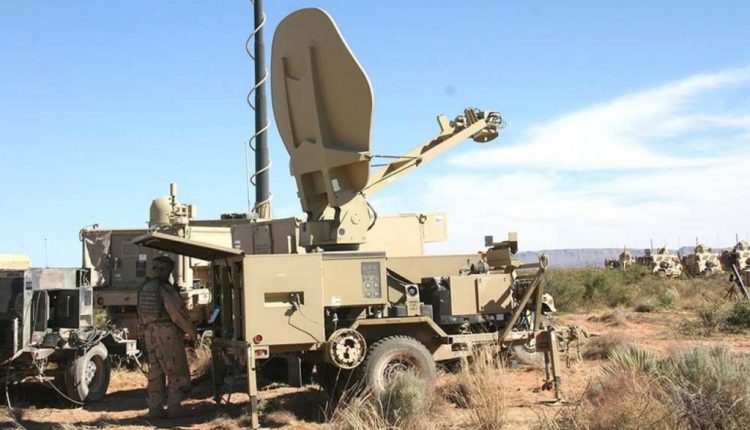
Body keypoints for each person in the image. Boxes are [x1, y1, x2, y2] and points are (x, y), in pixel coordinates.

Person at [137, 255, 197, 419]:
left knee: (155, 372)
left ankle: (155, 409)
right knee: (175, 370)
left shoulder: (145, 287)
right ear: (167, 270)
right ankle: (174, 409)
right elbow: (177, 315)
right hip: (166, 333)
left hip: (149, 332)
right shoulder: (164, 288)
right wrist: (191, 331)